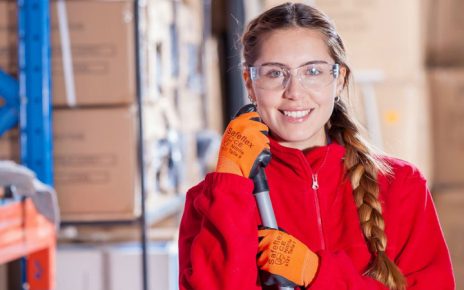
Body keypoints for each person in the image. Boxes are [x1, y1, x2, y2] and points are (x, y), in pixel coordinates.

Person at [178, 2, 455, 289]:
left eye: (312, 72)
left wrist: (318, 274)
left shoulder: (401, 186)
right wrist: (230, 183)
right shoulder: (213, 201)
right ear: (250, 82)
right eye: (275, 73)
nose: (295, 92)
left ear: (339, 79)